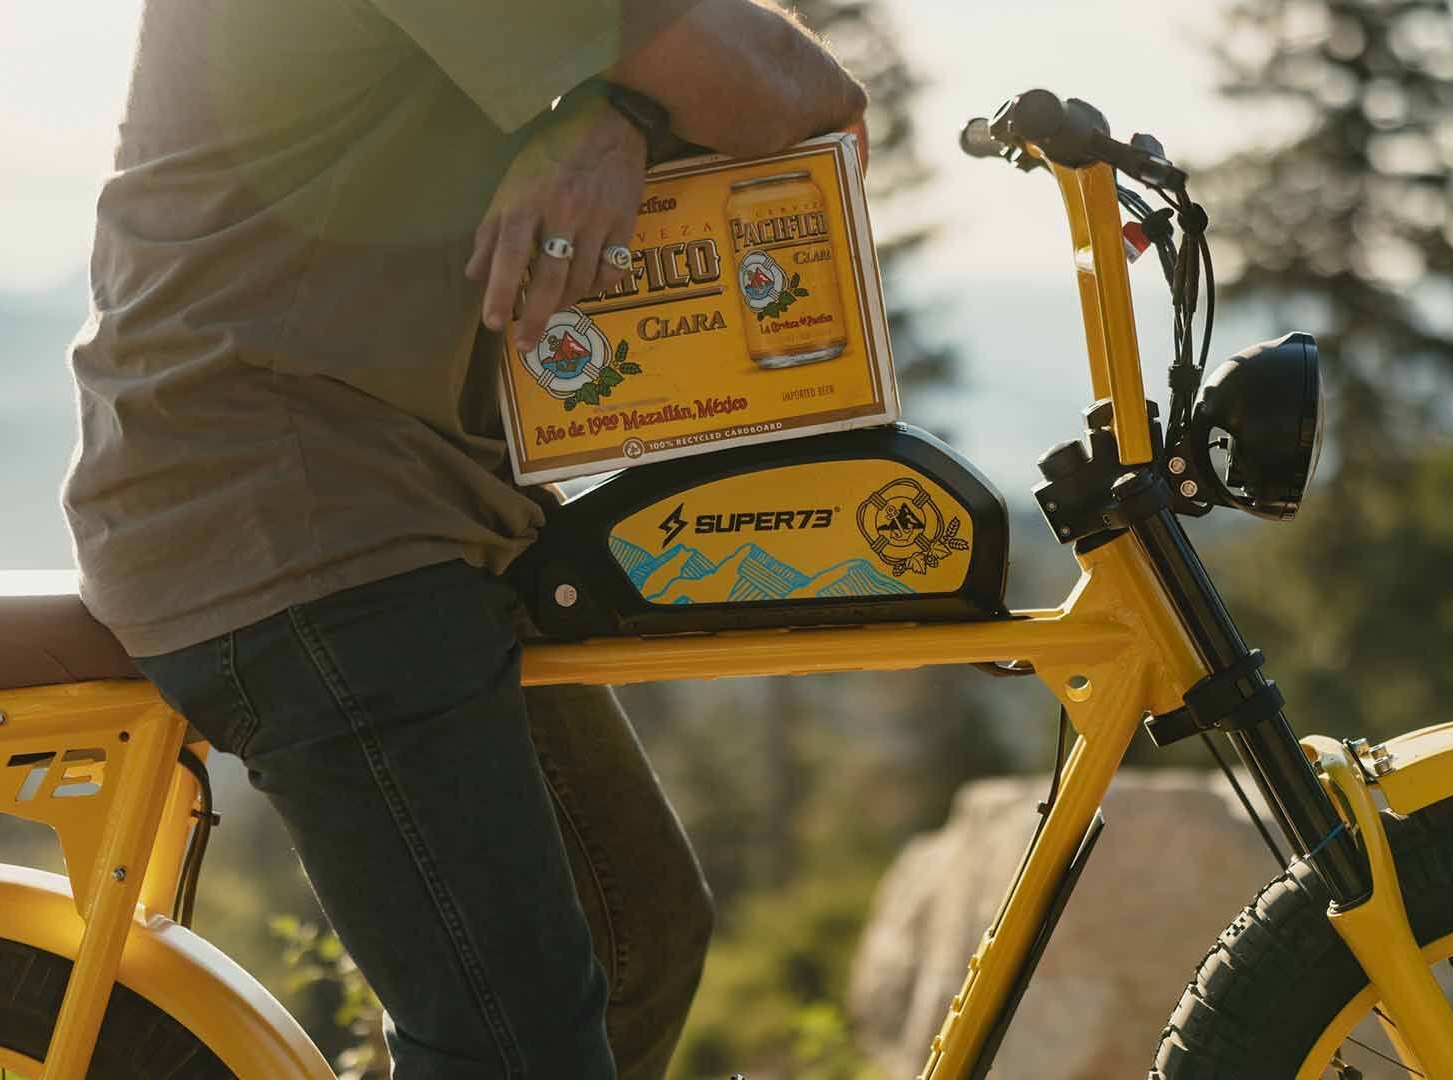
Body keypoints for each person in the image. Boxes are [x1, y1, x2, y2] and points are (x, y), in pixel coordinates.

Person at [62, 1, 868, 1076]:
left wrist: (613, 106)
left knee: (638, 938)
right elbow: (779, 85)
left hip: (406, 508)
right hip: (304, 519)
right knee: (514, 1050)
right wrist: (624, 100)